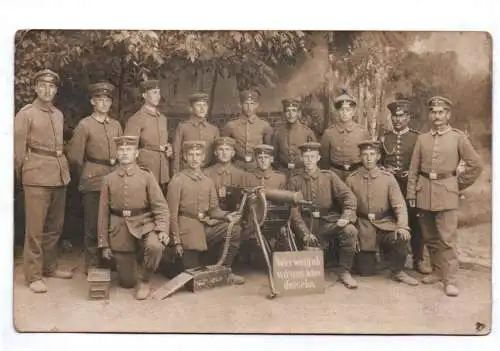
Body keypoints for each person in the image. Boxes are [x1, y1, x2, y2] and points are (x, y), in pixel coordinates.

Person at [407, 96, 483, 297]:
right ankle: (437, 271)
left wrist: (457, 184)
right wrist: (411, 193)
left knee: (447, 239)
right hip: (424, 193)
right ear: (430, 114)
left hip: (447, 194)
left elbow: (476, 165)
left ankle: (450, 280)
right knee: (430, 237)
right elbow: (413, 169)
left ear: (448, 115)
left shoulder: (458, 138)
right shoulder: (422, 139)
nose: (437, 116)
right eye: (433, 112)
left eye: (441, 112)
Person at [14, 69, 73, 293]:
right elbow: (18, 150)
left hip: (59, 174)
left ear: (56, 90)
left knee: (54, 226)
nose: (47, 90)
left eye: (52, 87)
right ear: (36, 88)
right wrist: (25, 174)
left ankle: (49, 267)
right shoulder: (26, 114)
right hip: (36, 175)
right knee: (35, 229)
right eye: (43, 86)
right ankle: (33, 275)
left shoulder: (58, 114)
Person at [97, 136, 169, 300]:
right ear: (117, 153)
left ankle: (145, 279)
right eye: (121, 150)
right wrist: (104, 243)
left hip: (145, 222)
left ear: (136, 153)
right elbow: (103, 214)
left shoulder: (146, 176)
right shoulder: (108, 179)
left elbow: (161, 206)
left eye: (128, 150)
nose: (124, 153)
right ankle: (131, 265)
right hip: (120, 228)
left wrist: (162, 228)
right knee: (127, 282)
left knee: (155, 247)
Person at [166, 141, 245, 284]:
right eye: (191, 155)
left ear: (203, 157)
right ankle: (171, 266)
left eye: (198, 155)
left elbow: (213, 210)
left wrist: (227, 216)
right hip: (186, 231)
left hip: (204, 227)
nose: (194, 158)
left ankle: (225, 271)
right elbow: (171, 214)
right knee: (193, 279)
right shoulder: (177, 181)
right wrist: (176, 242)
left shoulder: (208, 181)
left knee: (234, 229)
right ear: (185, 157)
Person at [66, 82, 123, 272]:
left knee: (111, 221)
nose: (104, 103)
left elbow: (123, 151)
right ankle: (92, 264)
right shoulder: (85, 125)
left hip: (114, 177)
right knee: (93, 222)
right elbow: (75, 157)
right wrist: (86, 176)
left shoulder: (115, 125)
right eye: (100, 100)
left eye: (107, 100)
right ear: (92, 101)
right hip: (93, 178)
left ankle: (108, 260)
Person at [345, 140, 419, 286]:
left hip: (385, 224)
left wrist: (402, 226)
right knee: (366, 271)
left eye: (372, 154)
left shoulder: (388, 178)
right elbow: (349, 207)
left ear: (378, 156)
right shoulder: (352, 179)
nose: (368, 158)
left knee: (401, 237)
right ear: (360, 157)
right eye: (365, 155)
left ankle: (398, 270)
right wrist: (354, 231)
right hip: (364, 227)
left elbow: (400, 205)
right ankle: (376, 258)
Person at [288, 142, 359, 289]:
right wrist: (304, 233)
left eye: (312, 156)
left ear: (318, 158)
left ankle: (344, 271)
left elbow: (349, 197)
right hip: (306, 224)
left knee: (350, 231)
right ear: (301, 158)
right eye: (306, 156)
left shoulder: (330, 176)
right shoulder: (295, 180)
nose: (309, 160)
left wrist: (345, 217)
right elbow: (293, 211)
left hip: (328, 222)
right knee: (308, 269)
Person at [379, 97, 430, 275]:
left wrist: (412, 173)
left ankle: (418, 259)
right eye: (394, 116)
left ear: (408, 117)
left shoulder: (417, 137)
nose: (397, 119)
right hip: (390, 186)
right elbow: (379, 162)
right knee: (389, 220)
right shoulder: (385, 138)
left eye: (401, 116)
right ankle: (391, 259)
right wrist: (385, 170)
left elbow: (425, 162)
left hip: (411, 186)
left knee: (416, 222)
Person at [124, 79, 172, 193]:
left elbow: (164, 141)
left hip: (163, 170)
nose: (158, 96)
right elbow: (129, 148)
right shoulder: (136, 118)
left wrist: (169, 148)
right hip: (146, 168)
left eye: (159, 92)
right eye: (154, 92)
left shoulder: (162, 118)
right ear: (145, 95)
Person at [320, 89, 370, 180]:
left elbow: (367, 155)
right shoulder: (329, 133)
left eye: (348, 110)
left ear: (353, 112)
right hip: (335, 175)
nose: (345, 113)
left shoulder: (362, 132)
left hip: (357, 174)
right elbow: (324, 160)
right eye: (342, 110)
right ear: (337, 112)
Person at [221, 89, 273, 172]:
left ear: (256, 105)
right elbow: (223, 147)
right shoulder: (231, 125)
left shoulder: (264, 126)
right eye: (246, 104)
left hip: (257, 166)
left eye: (252, 104)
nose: (249, 107)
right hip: (236, 166)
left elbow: (268, 150)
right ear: (240, 105)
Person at [172, 92, 220, 174]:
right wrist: (176, 175)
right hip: (186, 172)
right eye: (199, 105)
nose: (202, 108)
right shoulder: (183, 127)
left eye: (204, 105)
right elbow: (176, 154)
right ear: (191, 108)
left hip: (208, 173)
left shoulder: (213, 129)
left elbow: (217, 156)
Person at [203, 137, 249, 212]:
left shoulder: (241, 174)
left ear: (233, 153)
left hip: (235, 216)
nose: (224, 153)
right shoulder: (207, 173)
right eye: (221, 149)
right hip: (211, 216)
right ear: (215, 153)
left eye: (227, 149)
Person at [273, 98, 316, 174]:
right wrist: (280, 170)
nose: (291, 114)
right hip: (283, 172)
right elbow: (274, 157)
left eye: (293, 110)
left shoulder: (307, 132)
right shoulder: (278, 133)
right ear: (284, 113)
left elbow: (314, 156)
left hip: (302, 173)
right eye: (288, 111)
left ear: (298, 113)